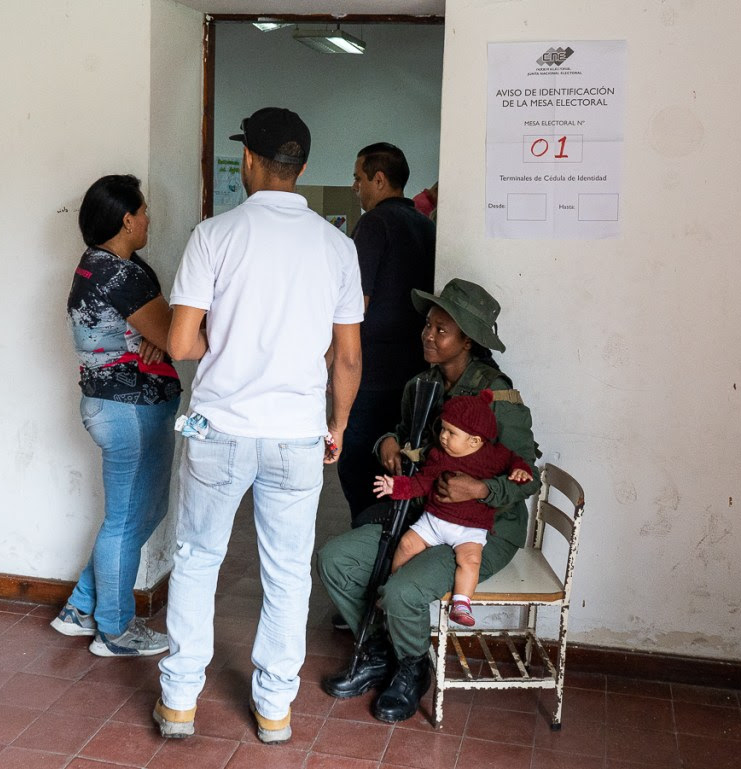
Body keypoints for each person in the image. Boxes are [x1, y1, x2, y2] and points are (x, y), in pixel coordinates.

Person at [152, 108, 363, 744]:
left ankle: (180, 701)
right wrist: (340, 425)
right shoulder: (337, 246)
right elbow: (348, 355)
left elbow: (182, 344)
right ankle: (274, 708)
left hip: (220, 429)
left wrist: (228, 336)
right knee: (288, 572)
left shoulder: (213, 236)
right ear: (299, 167)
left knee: (195, 560)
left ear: (248, 160)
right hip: (297, 434)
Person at [318, 278, 541, 723]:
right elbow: (405, 435)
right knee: (335, 559)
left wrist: (480, 489)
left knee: (402, 590)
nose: (428, 335)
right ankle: (382, 650)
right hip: (425, 513)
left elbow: (527, 474)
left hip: (482, 529)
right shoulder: (421, 385)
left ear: (469, 341)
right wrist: (388, 444)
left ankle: (412, 668)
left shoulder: (498, 397)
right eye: (428, 325)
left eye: (442, 330)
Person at [53, 174, 180, 658]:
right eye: (144, 211)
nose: (149, 218)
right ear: (127, 220)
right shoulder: (120, 275)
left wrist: (161, 332)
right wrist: (165, 333)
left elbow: (163, 333)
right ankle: (115, 629)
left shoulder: (96, 265)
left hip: (114, 406)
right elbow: (176, 337)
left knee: (133, 516)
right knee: (126, 521)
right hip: (129, 410)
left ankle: (81, 607)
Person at [374, 390, 533, 627]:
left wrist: (519, 470)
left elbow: (514, 459)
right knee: (406, 545)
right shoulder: (439, 456)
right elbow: (422, 483)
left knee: (470, 561)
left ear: (475, 441)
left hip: (470, 527)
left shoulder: (493, 457)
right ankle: (392, 585)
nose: (443, 436)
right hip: (434, 520)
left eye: (451, 432)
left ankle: (461, 603)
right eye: (443, 429)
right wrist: (395, 486)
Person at [339, 143, 435, 522]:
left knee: (359, 466)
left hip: (373, 370)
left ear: (379, 180)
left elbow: (355, 304)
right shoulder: (426, 226)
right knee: (398, 463)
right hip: (415, 371)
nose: (355, 187)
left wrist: (333, 362)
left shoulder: (374, 224)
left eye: (358, 178)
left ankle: (365, 550)